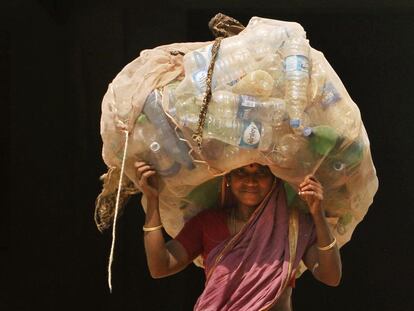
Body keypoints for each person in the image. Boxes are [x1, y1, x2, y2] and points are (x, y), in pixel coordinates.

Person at [135, 161, 342, 311]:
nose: (250, 181)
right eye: (241, 172)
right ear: (228, 179)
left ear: (275, 180)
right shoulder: (207, 223)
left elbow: (331, 276)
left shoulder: (295, 225)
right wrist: (152, 200)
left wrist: (317, 213)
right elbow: (160, 266)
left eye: (261, 173)